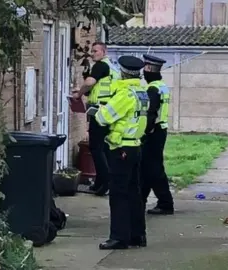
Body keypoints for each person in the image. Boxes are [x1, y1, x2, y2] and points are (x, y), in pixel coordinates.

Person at [94, 55, 147, 250]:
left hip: (121, 148)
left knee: (118, 194)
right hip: (135, 146)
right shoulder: (141, 92)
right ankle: (137, 235)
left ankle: (119, 237)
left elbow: (104, 117)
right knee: (134, 192)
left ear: (123, 73)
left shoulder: (125, 94)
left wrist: (97, 110)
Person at [72, 42, 120, 196]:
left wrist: (79, 94)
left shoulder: (100, 66)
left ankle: (105, 183)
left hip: (99, 111)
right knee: (104, 148)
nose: (93, 54)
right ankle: (100, 182)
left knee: (96, 147)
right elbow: (99, 88)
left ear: (104, 51)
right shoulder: (112, 66)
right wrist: (86, 93)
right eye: (92, 51)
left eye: (96, 51)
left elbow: (90, 82)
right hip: (109, 110)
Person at [140, 54, 175, 215]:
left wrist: (145, 131)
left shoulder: (152, 88)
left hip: (154, 132)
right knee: (148, 167)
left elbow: (151, 112)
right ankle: (141, 199)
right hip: (161, 130)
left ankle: (165, 203)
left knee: (153, 168)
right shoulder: (163, 86)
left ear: (148, 69)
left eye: (145, 69)